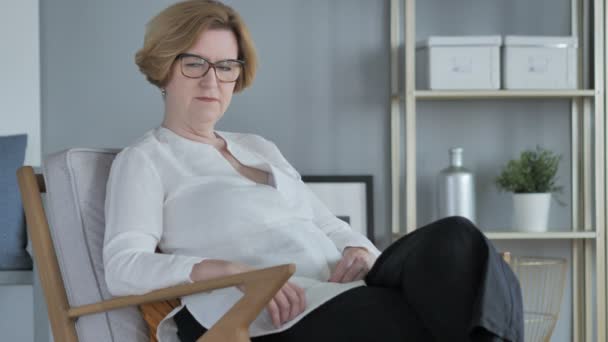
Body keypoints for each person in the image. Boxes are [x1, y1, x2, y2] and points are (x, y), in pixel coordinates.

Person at [103, 1, 523, 341]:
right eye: (195, 63)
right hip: (271, 312)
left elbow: (327, 225)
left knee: (457, 236)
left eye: (226, 66)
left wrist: (359, 251)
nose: (212, 81)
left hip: (344, 286)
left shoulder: (258, 147)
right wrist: (231, 271)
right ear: (164, 68)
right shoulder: (146, 159)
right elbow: (124, 266)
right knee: (432, 313)